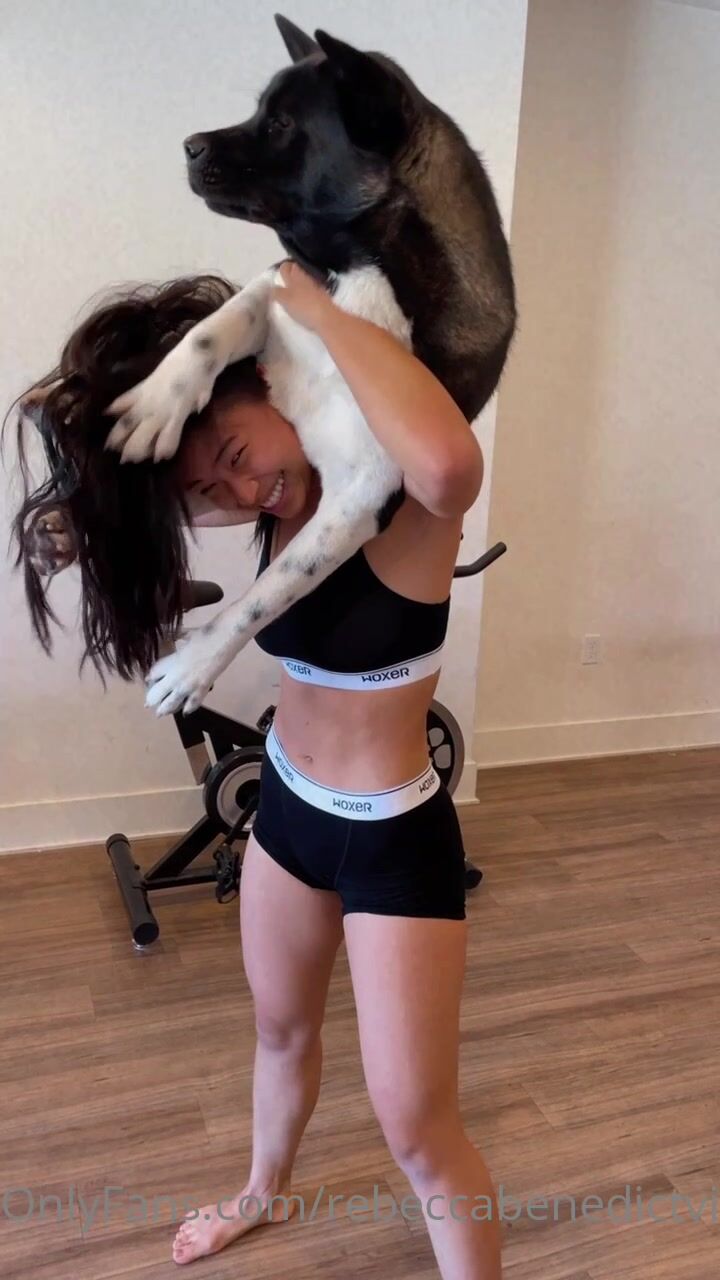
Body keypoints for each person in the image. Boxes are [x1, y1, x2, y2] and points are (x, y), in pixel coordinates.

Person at [13, 263, 503, 1277]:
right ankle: (259, 1191)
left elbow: (454, 463)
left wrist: (304, 303)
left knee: (418, 1127)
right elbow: (141, 487)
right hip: (284, 809)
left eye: (236, 457)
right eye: (210, 489)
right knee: (280, 1033)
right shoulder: (283, 504)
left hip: (390, 837)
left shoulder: (394, 490)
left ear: (271, 383)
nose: (243, 493)